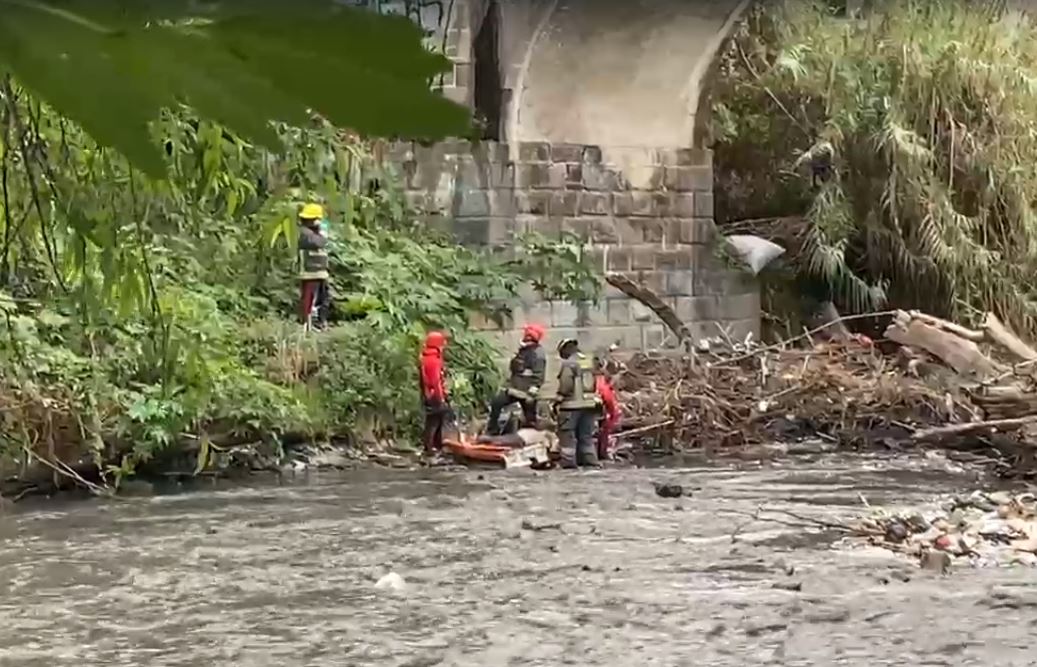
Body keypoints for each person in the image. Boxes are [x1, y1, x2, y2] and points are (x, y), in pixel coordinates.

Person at [485, 324, 547, 435]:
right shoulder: (524, 350)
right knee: (497, 403)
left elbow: (539, 375)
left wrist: (532, 393)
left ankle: (530, 438)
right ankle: (493, 430)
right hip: (515, 389)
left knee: (530, 418)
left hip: (526, 392)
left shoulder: (537, 353)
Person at [553, 338, 602, 468]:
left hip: (572, 405)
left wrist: (558, 399)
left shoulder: (569, 363)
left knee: (567, 434)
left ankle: (568, 463)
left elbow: (566, 384)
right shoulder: (588, 361)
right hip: (589, 405)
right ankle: (590, 461)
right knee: (586, 436)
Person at [298, 203, 330, 330]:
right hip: (309, 272)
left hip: (320, 272)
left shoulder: (315, 232)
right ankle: (308, 325)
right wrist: (322, 233)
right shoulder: (305, 233)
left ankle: (320, 323)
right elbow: (319, 243)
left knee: (323, 299)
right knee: (309, 300)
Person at [419, 331, 451, 455]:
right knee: (434, 421)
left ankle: (434, 446)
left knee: (435, 420)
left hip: (428, 394)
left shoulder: (427, 357)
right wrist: (441, 396)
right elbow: (435, 380)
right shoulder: (433, 360)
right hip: (434, 395)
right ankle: (431, 447)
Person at [594, 357, 621, 461]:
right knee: (603, 432)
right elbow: (608, 398)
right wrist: (613, 412)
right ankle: (603, 453)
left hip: (593, 409)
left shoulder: (592, 378)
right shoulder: (601, 382)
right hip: (601, 411)